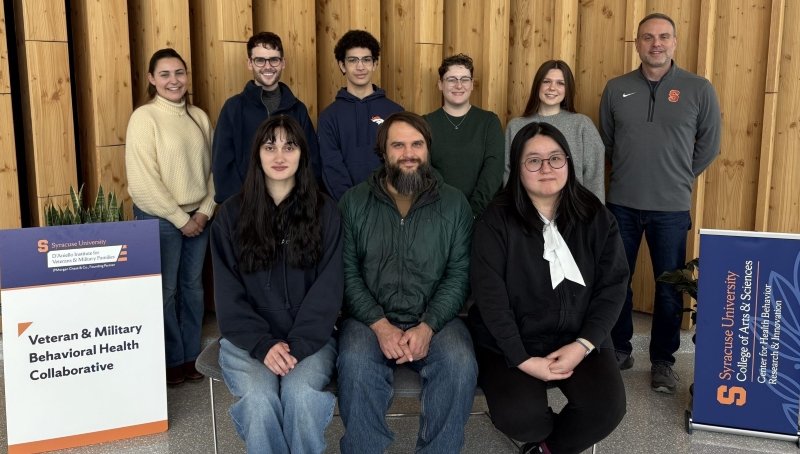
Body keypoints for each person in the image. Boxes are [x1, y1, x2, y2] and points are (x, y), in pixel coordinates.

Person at [469, 122, 628, 454]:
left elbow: (613, 286)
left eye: (556, 158)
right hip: (511, 342)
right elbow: (490, 300)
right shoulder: (494, 221)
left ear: (568, 162)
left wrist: (584, 344)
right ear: (517, 168)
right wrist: (524, 360)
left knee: (605, 410)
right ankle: (545, 438)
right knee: (523, 419)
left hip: (578, 336)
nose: (546, 168)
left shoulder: (595, 215)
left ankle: (545, 450)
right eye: (534, 160)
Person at [336, 111, 477, 453]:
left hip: (437, 319)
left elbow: (459, 275)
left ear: (428, 149)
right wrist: (380, 325)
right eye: (398, 145)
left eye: (417, 144)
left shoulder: (455, 203)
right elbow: (346, 272)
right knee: (354, 364)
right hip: (368, 319)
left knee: (460, 363)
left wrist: (428, 326)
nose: (409, 153)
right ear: (383, 151)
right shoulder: (354, 202)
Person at [600, 12, 721, 393]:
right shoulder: (616, 88)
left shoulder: (699, 88)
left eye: (664, 37)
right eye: (648, 37)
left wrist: (679, 178)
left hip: (671, 208)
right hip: (621, 204)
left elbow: (710, 145)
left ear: (674, 42)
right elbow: (607, 141)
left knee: (670, 287)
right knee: (617, 281)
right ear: (637, 43)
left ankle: (663, 361)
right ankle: (619, 349)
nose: (656, 43)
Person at [211, 115, 343, 453]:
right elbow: (228, 295)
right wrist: (262, 344)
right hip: (247, 341)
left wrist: (296, 346)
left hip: (309, 340)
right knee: (258, 399)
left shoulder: (326, 211)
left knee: (301, 397)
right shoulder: (230, 216)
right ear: (257, 154)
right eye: (270, 147)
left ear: (302, 154)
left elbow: (329, 289)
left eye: (290, 146)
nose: (280, 156)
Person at [125, 48, 216, 386]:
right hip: (161, 219)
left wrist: (205, 212)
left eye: (179, 72)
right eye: (164, 74)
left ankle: (192, 357)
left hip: (199, 217)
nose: (173, 80)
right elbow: (144, 182)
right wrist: (182, 219)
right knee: (166, 291)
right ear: (151, 79)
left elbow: (213, 171)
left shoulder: (199, 117)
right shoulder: (144, 118)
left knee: (193, 289)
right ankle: (171, 360)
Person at [212, 32, 321, 203]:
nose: (267, 66)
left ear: (282, 63)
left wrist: (301, 202)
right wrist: (238, 206)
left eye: (274, 59)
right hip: (246, 207)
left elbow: (311, 161)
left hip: (291, 207)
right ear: (250, 63)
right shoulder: (233, 108)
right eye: (260, 60)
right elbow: (223, 165)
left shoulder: (297, 109)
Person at [318, 29, 404, 201]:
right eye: (352, 60)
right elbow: (331, 167)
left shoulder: (395, 112)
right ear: (342, 65)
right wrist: (351, 205)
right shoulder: (328, 117)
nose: (360, 67)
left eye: (366, 60)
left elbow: (401, 161)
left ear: (375, 64)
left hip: (389, 205)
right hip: (345, 208)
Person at [505, 60, 605, 202]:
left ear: (568, 89)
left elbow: (594, 177)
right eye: (546, 81)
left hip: (573, 213)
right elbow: (508, 174)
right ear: (537, 85)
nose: (552, 88)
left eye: (560, 83)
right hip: (526, 212)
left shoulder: (582, 125)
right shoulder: (515, 126)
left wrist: (595, 216)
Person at [423, 53, 504, 217]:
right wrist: (447, 208)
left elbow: (493, 171)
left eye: (465, 79)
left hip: (482, 214)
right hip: (438, 213)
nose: (459, 85)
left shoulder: (489, 122)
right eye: (451, 79)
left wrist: (473, 211)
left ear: (472, 84)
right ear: (440, 84)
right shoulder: (425, 123)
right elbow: (425, 170)